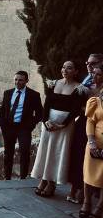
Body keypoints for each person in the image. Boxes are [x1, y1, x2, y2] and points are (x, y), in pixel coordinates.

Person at [31, 61, 84, 197]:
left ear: (76, 71)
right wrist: (45, 121)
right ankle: (43, 179)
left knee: (57, 152)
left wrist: (63, 124)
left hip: (64, 126)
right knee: (46, 150)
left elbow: (75, 110)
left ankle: (52, 183)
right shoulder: (53, 83)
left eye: (69, 68)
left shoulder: (79, 88)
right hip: (49, 123)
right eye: (63, 67)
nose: (65, 70)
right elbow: (47, 104)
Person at [68, 55, 103, 203]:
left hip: (98, 124)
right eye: (87, 62)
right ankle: (75, 187)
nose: (89, 65)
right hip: (84, 122)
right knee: (77, 155)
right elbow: (74, 100)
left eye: (93, 63)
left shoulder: (98, 83)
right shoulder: (86, 81)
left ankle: (85, 192)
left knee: (90, 158)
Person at [0, 71, 43, 180]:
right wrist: (2, 124)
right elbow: (3, 109)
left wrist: (30, 125)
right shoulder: (7, 93)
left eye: (21, 80)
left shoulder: (33, 95)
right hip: (9, 127)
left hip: (23, 128)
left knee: (25, 152)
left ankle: (23, 178)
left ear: (26, 81)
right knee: (8, 153)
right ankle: (7, 177)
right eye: (16, 79)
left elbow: (40, 113)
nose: (17, 82)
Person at [81, 77, 103, 218]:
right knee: (88, 174)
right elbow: (90, 121)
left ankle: (99, 208)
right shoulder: (96, 100)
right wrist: (92, 141)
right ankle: (86, 202)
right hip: (94, 142)